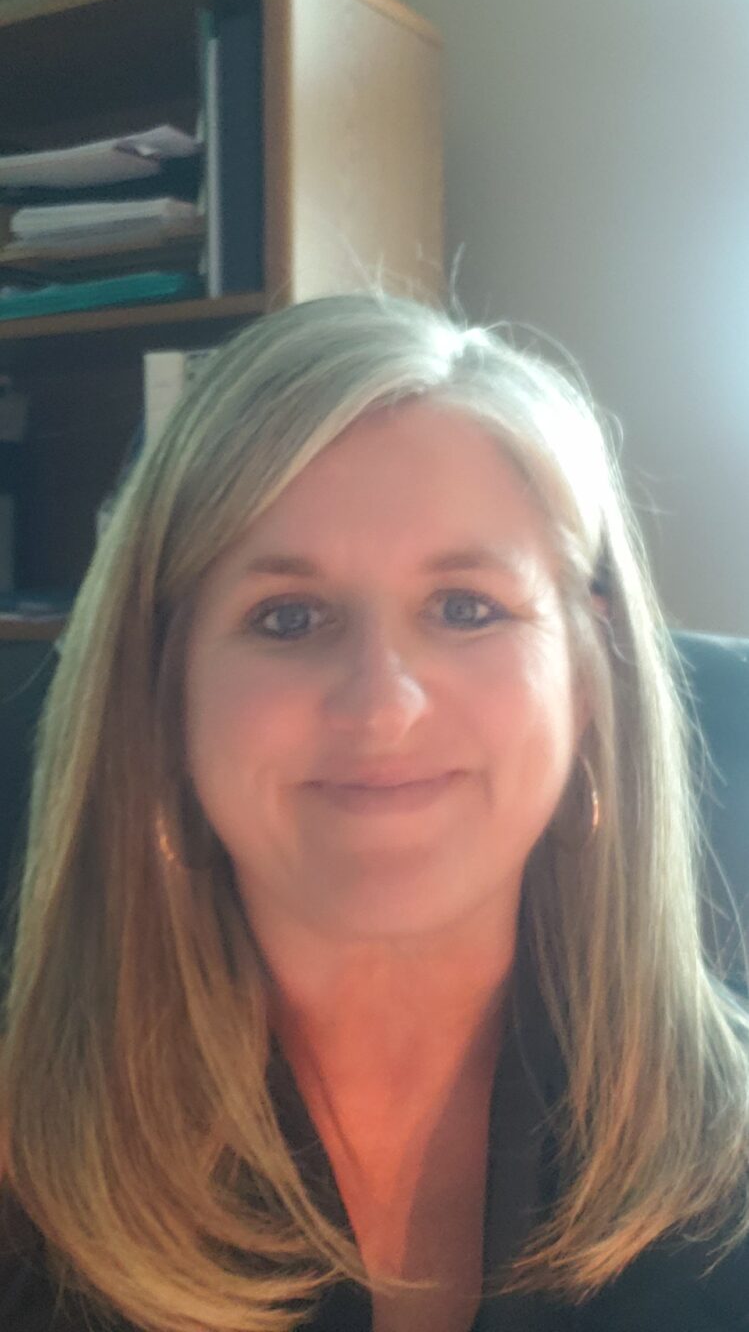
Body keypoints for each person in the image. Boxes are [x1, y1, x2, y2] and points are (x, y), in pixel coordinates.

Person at [0, 291, 747, 1332]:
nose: (383, 706)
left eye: (465, 608)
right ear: (164, 694)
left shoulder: (728, 1150)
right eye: (288, 617)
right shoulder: (26, 1174)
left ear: (589, 673)